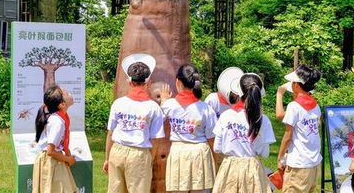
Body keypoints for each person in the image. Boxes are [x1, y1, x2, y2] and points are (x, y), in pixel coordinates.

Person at [104, 54, 165, 193]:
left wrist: (107, 158)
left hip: (117, 151)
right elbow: (155, 139)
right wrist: (150, 158)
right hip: (140, 153)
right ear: (148, 82)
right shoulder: (153, 107)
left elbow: (110, 133)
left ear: (129, 82)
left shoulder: (118, 103)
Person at [212, 73, 276, 193]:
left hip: (229, 168)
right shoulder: (263, 120)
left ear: (239, 89)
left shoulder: (226, 116)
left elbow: (217, 148)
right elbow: (265, 153)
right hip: (252, 170)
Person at [160, 64, 217, 193]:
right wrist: (216, 161)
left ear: (178, 82)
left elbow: (157, 121)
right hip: (200, 154)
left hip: (178, 153)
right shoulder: (206, 109)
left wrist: (163, 102)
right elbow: (212, 139)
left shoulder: (169, 105)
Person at [276, 65, 322, 193]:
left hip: (299, 164)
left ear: (296, 85)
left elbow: (288, 135)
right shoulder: (316, 106)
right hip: (313, 162)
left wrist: (280, 158)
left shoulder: (294, 106)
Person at [32, 85, 77, 193]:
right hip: (51, 161)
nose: (69, 93)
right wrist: (68, 159)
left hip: (55, 159)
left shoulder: (59, 118)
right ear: (62, 104)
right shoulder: (57, 121)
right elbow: (50, 151)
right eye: (66, 93)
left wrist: (67, 154)